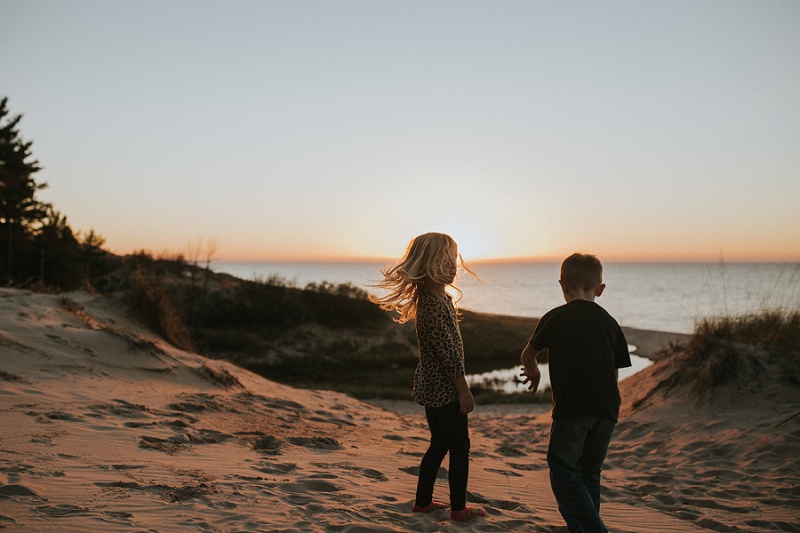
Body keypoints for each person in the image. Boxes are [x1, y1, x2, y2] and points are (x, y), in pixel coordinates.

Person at [370, 232, 486, 523]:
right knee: (460, 447)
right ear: (430, 263)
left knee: (439, 444)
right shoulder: (432, 304)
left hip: (434, 386)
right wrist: (464, 389)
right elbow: (448, 353)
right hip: (444, 388)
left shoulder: (440, 298)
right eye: (447, 261)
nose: (453, 267)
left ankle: (423, 503)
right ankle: (458, 511)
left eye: (453, 261)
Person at [519, 253, 631, 533]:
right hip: (607, 410)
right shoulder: (610, 322)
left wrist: (534, 373)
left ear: (563, 286)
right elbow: (614, 372)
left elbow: (528, 354)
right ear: (600, 290)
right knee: (590, 473)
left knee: (565, 472)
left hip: (572, 410)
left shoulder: (556, 317)